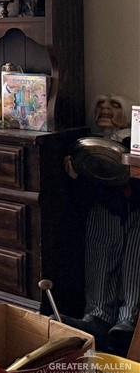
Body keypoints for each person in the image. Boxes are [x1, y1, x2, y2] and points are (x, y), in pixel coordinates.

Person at [64, 94, 138, 355]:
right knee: (99, 250)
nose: (105, 109)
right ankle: (97, 315)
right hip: (103, 206)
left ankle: (129, 318)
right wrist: (74, 175)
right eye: (100, 105)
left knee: (133, 254)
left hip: (134, 209)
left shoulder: (133, 138)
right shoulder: (89, 144)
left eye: (114, 105)